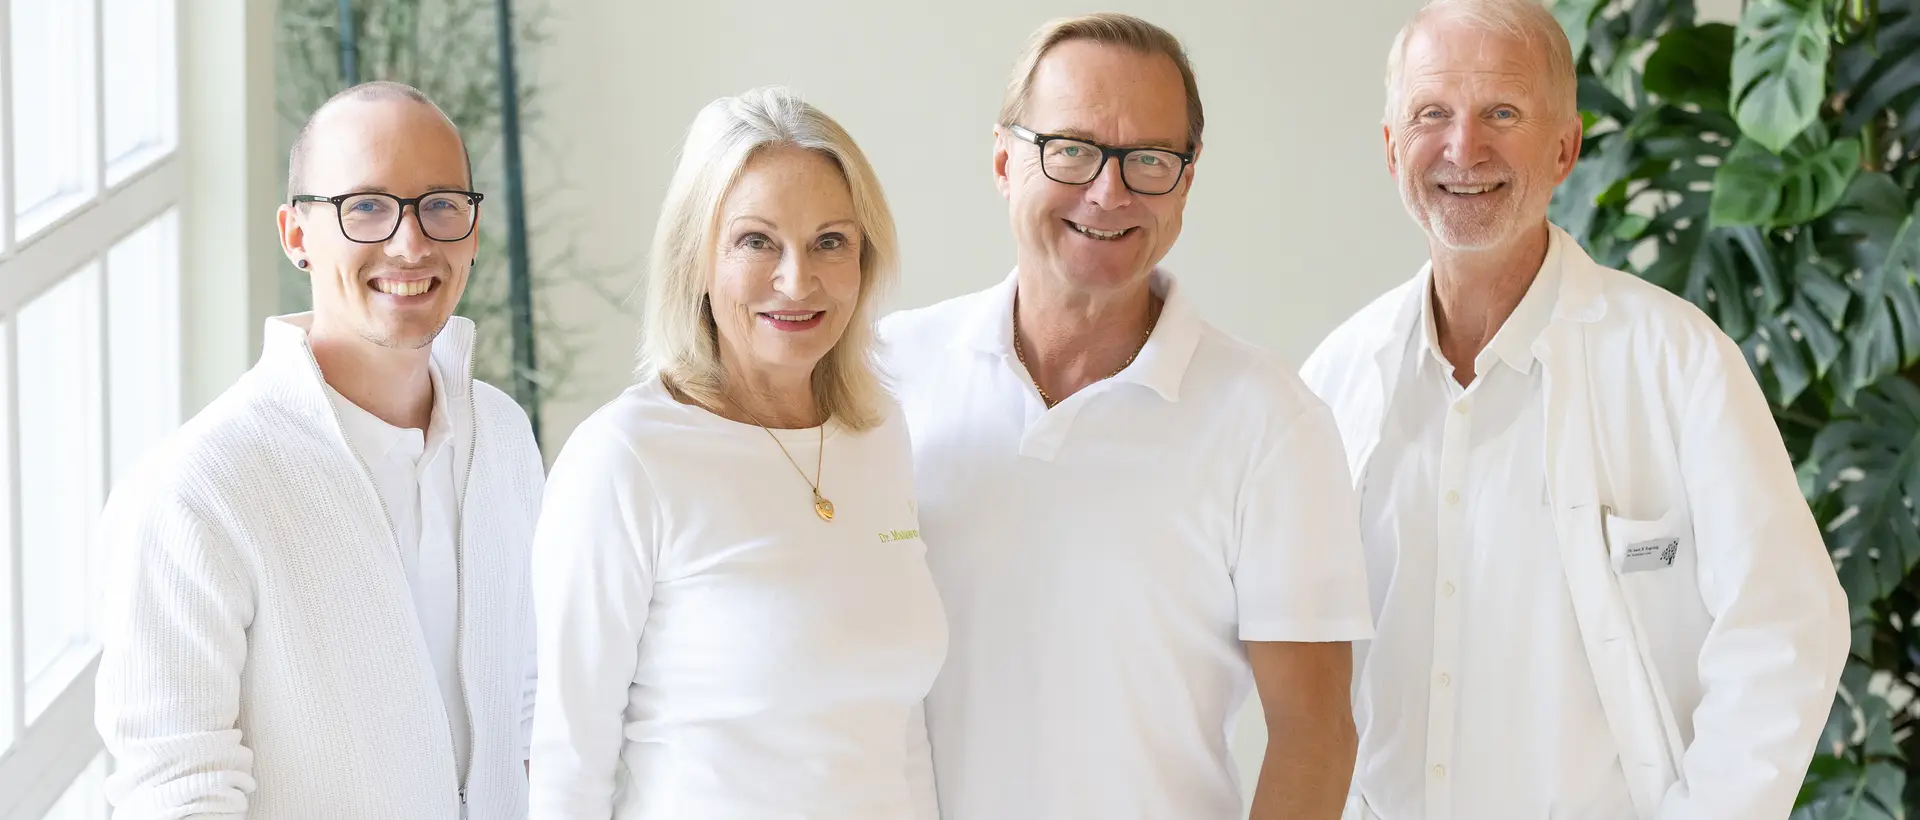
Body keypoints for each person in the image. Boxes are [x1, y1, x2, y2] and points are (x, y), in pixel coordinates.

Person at [1300, 1, 1851, 817]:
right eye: (1431, 114)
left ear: (1565, 147)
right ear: (1390, 149)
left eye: (1502, 113)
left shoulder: (1679, 363)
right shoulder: (1332, 381)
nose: (1463, 148)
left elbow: (1786, 630)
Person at [878, 13, 1373, 820]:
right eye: (1071, 149)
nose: (1109, 193)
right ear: (1004, 161)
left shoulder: (1273, 423)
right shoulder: (885, 377)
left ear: (1186, 181)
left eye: (1149, 160)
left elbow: (1313, 733)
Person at [94, 81, 542, 819]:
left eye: (440, 205)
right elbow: (174, 794)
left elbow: (525, 703)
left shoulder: (502, 435)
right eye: (365, 207)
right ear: (296, 235)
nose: (411, 243)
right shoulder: (194, 493)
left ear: (472, 228)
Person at [527, 86, 945, 820]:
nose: (797, 280)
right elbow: (569, 763)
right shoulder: (625, 458)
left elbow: (898, 731)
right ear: (696, 260)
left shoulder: (879, 434)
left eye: (830, 241)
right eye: (757, 241)